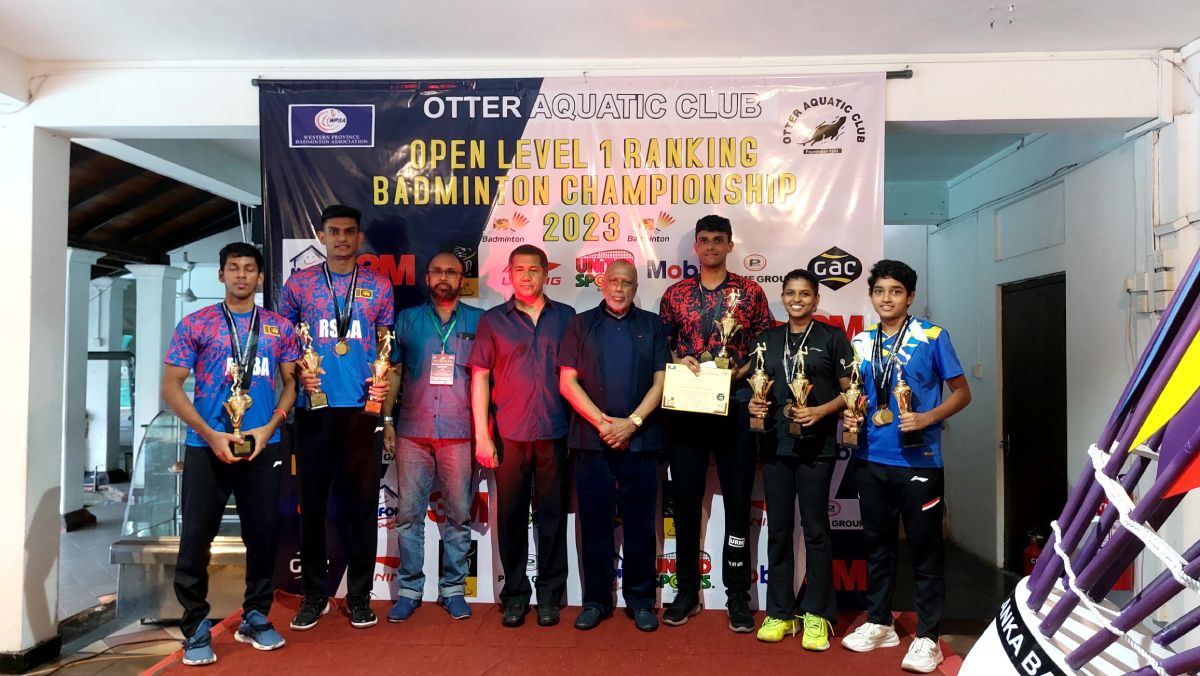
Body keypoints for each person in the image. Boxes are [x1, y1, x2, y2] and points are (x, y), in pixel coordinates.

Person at [162, 242, 300, 666]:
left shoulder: (279, 328)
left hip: (262, 446)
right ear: (221, 274)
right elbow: (171, 388)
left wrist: (269, 427)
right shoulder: (196, 323)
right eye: (234, 268)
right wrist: (209, 433)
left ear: (260, 277)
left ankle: (256, 615)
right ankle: (195, 626)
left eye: (249, 268)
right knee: (196, 538)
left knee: (263, 536)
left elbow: (292, 385)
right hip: (206, 447)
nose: (242, 275)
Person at [839, 259, 972, 674]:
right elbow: (857, 393)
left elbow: (962, 393)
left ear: (910, 296)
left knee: (924, 550)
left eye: (895, 291)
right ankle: (881, 623)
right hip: (869, 459)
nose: (887, 299)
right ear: (871, 296)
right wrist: (852, 413)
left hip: (919, 460)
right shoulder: (861, 341)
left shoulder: (932, 336)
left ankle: (928, 637)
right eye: (879, 291)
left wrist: (928, 417)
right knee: (877, 547)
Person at [277, 204, 395, 631]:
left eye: (349, 231)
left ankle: (360, 596)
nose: (342, 238)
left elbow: (385, 347)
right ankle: (314, 595)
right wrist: (297, 375)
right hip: (315, 409)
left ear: (359, 237)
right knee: (312, 507)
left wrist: (385, 404)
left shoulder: (379, 286)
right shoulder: (299, 284)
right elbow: (284, 346)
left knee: (363, 506)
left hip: (363, 409)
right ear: (321, 236)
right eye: (334, 231)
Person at [657, 215, 774, 632]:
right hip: (687, 410)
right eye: (704, 240)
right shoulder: (675, 294)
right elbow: (664, 346)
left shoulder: (750, 292)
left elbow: (765, 346)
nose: (710, 246)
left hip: (736, 407)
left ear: (729, 245)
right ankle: (686, 592)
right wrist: (679, 360)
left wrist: (741, 372)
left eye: (718, 240)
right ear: (696, 246)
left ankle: (737, 596)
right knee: (686, 504)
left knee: (739, 503)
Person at [558, 260, 670, 633]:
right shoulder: (580, 324)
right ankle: (596, 601)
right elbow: (567, 382)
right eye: (614, 281)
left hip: (641, 441)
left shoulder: (652, 325)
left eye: (627, 283)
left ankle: (641, 601)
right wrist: (603, 423)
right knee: (594, 525)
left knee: (641, 525)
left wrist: (632, 423)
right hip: (592, 441)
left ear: (636, 288)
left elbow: (661, 382)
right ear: (602, 284)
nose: (619, 289)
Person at [468, 244, 576, 628]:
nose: (526, 276)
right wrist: (482, 437)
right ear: (509, 275)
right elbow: (480, 378)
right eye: (519, 270)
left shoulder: (566, 317)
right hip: (508, 435)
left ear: (546, 274)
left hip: (555, 431)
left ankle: (549, 597)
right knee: (511, 518)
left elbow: (576, 377)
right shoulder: (493, 321)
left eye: (534, 269)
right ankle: (514, 595)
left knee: (552, 518)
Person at [747, 269, 851, 649]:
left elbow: (852, 392)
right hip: (775, 447)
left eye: (805, 294)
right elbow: (756, 389)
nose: (797, 299)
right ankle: (779, 613)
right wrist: (755, 405)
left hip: (816, 449)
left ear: (816, 299)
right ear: (782, 297)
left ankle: (817, 614)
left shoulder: (832, 338)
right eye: (790, 293)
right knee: (778, 531)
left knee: (816, 531)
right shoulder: (767, 340)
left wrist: (821, 411)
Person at [379, 252, 482, 622]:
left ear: (462, 279)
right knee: (408, 516)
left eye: (451, 272)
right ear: (427, 277)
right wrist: (387, 420)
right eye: (437, 271)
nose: (443, 277)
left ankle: (453, 589)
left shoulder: (479, 321)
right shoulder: (407, 320)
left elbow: (487, 379)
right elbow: (393, 371)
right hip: (413, 431)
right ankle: (409, 591)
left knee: (458, 516)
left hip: (460, 431)